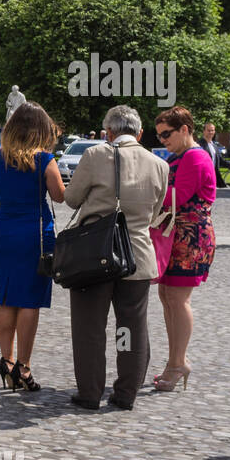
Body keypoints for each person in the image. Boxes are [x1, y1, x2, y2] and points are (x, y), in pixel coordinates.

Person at [63, 105, 169, 409]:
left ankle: (90, 392)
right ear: (139, 133)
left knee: (90, 329)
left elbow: (71, 199)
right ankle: (125, 394)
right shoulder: (158, 164)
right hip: (137, 254)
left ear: (108, 132)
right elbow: (155, 212)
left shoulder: (96, 156)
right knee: (131, 328)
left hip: (95, 253)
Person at [0, 102, 65, 391]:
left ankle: (5, 360)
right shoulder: (45, 160)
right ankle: (24, 366)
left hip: (5, 230)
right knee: (30, 300)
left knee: (6, 296)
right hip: (36, 233)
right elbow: (58, 196)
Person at [152, 107, 216, 391]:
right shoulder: (179, 156)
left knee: (178, 299)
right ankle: (174, 360)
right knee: (167, 295)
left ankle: (178, 363)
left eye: (167, 134)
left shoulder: (195, 157)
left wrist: (142, 192)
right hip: (176, 234)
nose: (163, 140)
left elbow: (174, 197)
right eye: (159, 135)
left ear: (185, 130)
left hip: (190, 236)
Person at [198, 123, 230, 188]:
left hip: (214, 177)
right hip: (203, 178)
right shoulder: (199, 145)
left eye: (212, 130)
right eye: (208, 130)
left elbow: (220, 161)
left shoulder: (214, 146)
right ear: (204, 131)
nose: (211, 132)